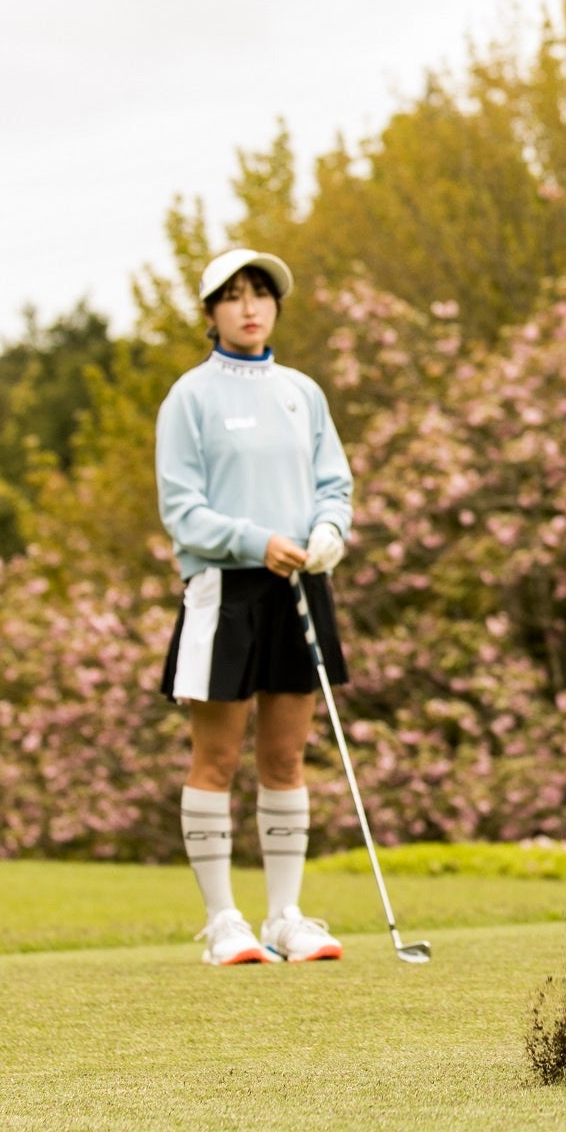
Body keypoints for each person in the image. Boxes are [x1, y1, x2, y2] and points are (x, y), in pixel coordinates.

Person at [155, 248, 356, 965]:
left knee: (285, 756)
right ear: (210, 313)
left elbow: (335, 483)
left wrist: (329, 533)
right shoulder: (190, 397)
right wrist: (253, 540)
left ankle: (284, 917)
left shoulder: (303, 391)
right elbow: (182, 512)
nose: (250, 307)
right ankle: (222, 922)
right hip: (224, 592)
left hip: (300, 584)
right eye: (234, 296)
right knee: (215, 758)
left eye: (261, 294)